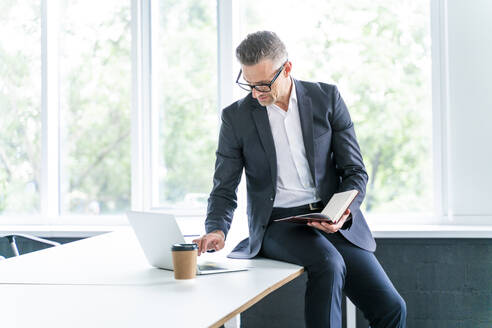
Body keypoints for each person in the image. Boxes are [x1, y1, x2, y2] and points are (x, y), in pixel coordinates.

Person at [193, 31, 406, 328]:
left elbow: (355, 171)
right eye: (249, 84)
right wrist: (216, 228)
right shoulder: (236, 118)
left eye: (264, 84)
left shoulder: (326, 98)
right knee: (329, 265)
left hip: (330, 218)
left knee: (392, 308)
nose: (256, 93)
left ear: (288, 69)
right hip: (278, 223)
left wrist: (342, 212)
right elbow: (224, 187)